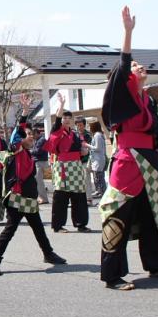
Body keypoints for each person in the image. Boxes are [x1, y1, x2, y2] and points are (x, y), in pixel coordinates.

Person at [99, 6, 158, 290]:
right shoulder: (125, 91)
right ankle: (112, 275)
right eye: (135, 66)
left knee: (150, 213)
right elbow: (123, 65)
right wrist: (128, 32)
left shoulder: (149, 99)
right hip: (127, 160)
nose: (139, 67)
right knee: (118, 213)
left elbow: (153, 131)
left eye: (140, 65)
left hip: (148, 158)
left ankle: (157, 265)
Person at [0, 96, 66, 276]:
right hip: (17, 197)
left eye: (33, 135)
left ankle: (48, 254)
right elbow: (18, 132)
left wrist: (60, 112)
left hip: (29, 199)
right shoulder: (16, 149)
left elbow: (54, 132)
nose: (32, 137)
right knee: (10, 229)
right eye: (29, 135)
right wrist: (24, 112)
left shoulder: (31, 154)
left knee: (38, 227)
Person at [46, 94, 90, 234]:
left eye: (68, 118)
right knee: (61, 196)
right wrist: (61, 105)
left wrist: (83, 151)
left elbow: (81, 148)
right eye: (64, 117)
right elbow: (58, 120)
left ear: (72, 121)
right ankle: (58, 226)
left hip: (76, 166)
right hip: (63, 166)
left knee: (79, 195)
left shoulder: (76, 134)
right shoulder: (57, 131)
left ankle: (81, 223)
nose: (65, 120)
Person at [75, 117, 93, 204]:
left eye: (81, 125)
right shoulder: (74, 134)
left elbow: (88, 147)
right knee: (78, 181)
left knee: (86, 179)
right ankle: (81, 199)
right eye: (77, 125)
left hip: (86, 160)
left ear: (84, 125)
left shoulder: (88, 135)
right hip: (76, 161)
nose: (79, 127)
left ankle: (89, 199)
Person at [88, 121, 107, 198]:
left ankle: (102, 193)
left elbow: (97, 148)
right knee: (99, 177)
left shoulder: (97, 135)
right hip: (98, 159)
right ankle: (101, 192)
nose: (89, 128)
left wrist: (88, 145)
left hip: (98, 160)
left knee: (99, 178)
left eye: (90, 127)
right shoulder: (99, 135)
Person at [31, 126, 49, 204]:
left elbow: (38, 151)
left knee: (39, 181)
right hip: (38, 162)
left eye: (33, 134)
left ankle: (43, 198)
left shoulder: (42, 140)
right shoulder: (38, 140)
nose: (32, 136)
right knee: (37, 181)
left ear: (37, 133)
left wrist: (30, 151)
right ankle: (41, 197)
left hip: (40, 162)